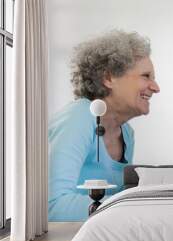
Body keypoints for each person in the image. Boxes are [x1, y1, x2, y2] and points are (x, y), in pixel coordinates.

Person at [48, 30, 160, 221]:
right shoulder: (78, 119)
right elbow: (52, 207)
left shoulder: (126, 133)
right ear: (109, 78)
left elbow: (111, 203)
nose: (156, 87)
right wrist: (135, 209)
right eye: (146, 76)